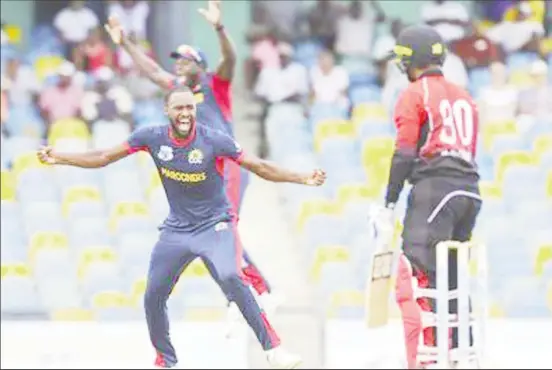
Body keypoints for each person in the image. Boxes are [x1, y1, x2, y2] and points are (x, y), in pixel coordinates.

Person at [37, 85, 326, 368]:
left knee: (230, 275)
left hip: (215, 226)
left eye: (190, 107)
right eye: (179, 108)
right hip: (177, 230)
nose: (185, 113)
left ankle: (273, 349)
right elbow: (103, 157)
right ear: (167, 111)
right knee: (153, 295)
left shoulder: (214, 140)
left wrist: (302, 178)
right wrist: (60, 157)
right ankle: (165, 360)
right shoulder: (151, 137)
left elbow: (260, 167)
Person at [104, 1, 278, 323]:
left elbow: (230, 59)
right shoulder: (178, 93)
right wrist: (124, 42)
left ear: (200, 64)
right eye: (178, 60)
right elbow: (152, 70)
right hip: (207, 171)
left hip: (230, 165)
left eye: (186, 59)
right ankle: (250, 291)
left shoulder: (216, 83)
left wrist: (219, 28)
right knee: (215, 230)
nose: (179, 65)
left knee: (224, 228)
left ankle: (258, 291)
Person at [381, 25, 482, 369]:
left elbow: (405, 152)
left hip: (435, 191)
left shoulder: (414, 93)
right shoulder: (465, 96)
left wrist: (389, 202)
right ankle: (459, 357)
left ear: (411, 61)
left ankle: (424, 361)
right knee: (453, 280)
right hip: (469, 192)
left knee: (414, 275)